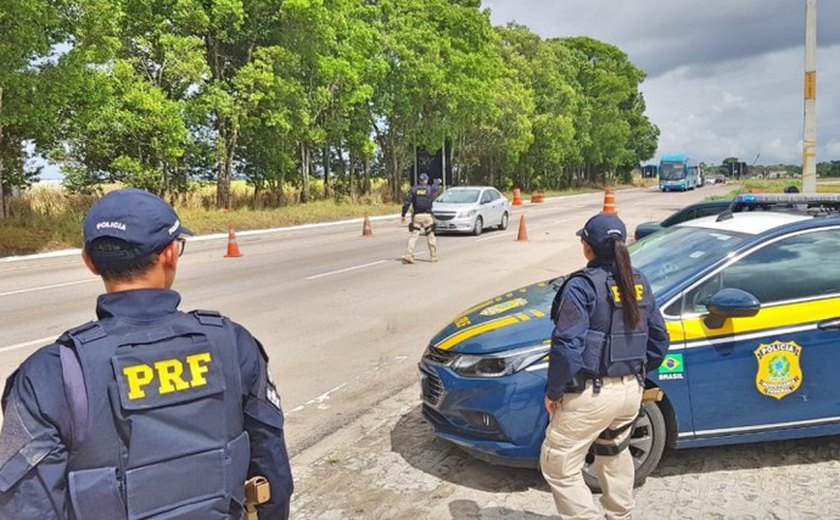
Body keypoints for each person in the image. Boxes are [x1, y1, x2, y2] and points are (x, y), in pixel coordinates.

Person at [0, 189, 293, 519]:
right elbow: (272, 472)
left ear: (90, 262)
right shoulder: (233, 344)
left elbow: (26, 507)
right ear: (170, 253)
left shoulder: (52, 373)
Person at [541, 212, 669, 520]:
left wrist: (554, 390)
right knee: (613, 454)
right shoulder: (638, 281)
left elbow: (568, 347)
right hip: (630, 394)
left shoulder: (582, 286)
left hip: (592, 394)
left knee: (557, 464)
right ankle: (620, 514)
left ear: (587, 247)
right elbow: (659, 340)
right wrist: (634, 376)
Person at [400, 173, 440, 264]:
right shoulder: (429, 189)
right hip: (427, 216)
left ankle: (408, 255)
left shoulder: (414, 190)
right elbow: (435, 187)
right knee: (430, 235)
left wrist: (403, 215)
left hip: (417, 216)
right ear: (426, 180)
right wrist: (437, 182)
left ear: (419, 180)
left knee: (414, 236)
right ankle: (433, 256)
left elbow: (407, 203)